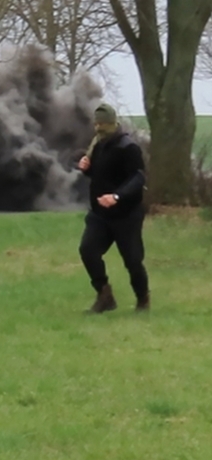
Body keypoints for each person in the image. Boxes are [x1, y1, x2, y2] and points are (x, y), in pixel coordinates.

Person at [77, 103, 150, 313]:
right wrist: (85, 169)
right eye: (96, 123)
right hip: (100, 215)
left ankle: (143, 299)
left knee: (133, 261)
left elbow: (138, 178)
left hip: (126, 214)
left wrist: (117, 196)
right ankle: (104, 295)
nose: (99, 128)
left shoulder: (128, 147)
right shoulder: (98, 147)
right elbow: (100, 176)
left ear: (113, 123)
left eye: (103, 124)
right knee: (88, 250)